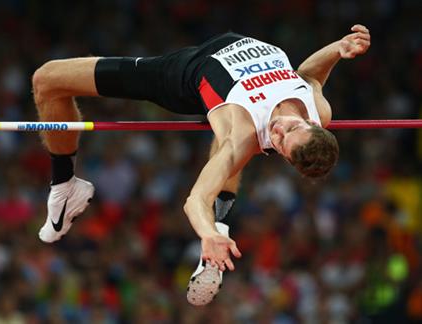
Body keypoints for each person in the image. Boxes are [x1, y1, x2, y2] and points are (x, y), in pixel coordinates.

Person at [32, 24, 370, 305]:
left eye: (279, 141)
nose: (279, 128)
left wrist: (206, 234)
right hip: (223, 48)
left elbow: (196, 199)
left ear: (279, 153)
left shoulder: (244, 136)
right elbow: (308, 75)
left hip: (181, 74)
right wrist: (336, 48)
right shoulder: (318, 108)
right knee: (227, 136)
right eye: (291, 128)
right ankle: (220, 229)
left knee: (47, 80)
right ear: (312, 124)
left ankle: (65, 186)